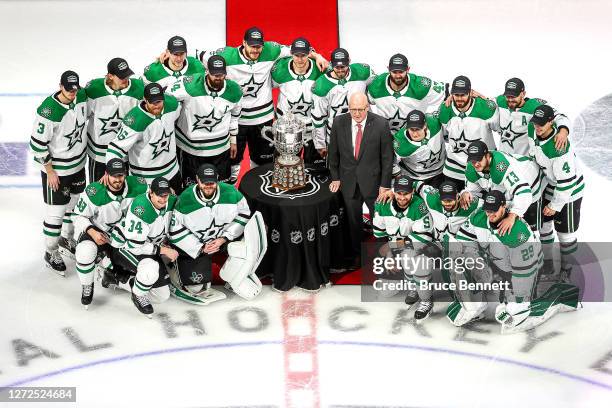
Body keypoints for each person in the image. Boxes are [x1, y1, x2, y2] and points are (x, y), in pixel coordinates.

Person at [196, 27, 328, 182]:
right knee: (233, 162)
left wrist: (317, 56)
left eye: (258, 46)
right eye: (252, 46)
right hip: (236, 119)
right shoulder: (227, 54)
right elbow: (198, 55)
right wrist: (165, 56)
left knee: (262, 164)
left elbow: (296, 50)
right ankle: (231, 195)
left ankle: (258, 192)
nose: (255, 50)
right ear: (243, 42)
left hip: (262, 119)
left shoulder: (271, 50)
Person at [455, 190, 578, 333]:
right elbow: (462, 241)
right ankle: (476, 304)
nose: (490, 214)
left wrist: (516, 298)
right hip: (497, 263)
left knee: (513, 313)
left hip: (523, 270)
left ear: (503, 207)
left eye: (494, 210)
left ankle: (559, 298)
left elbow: (526, 272)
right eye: (487, 210)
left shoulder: (518, 233)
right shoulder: (479, 217)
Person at [169, 164, 266, 304]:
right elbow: (175, 231)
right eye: (204, 182)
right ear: (197, 180)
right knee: (196, 288)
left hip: (223, 241)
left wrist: (224, 237)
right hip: (200, 246)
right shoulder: (185, 200)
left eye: (212, 182)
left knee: (243, 252)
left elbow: (244, 214)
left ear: (217, 180)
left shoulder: (231, 193)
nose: (208, 186)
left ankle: (232, 279)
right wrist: (200, 247)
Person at [30, 70, 88, 274]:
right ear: (60, 86)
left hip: (79, 166)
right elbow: (37, 145)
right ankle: (50, 250)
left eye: (75, 89)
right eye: (68, 89)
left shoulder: (81, 96)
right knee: (56, 214)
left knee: (72, 207)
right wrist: (50, 171)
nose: (72, 93)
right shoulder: (48, 111)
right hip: (58, 171)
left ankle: (67, 238)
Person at [328, 92, 393, 269]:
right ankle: (358, 255)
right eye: (353, 110)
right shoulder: (339, 122)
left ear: (367, 107)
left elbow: (387, 158)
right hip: (348, 183)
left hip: (374, 184)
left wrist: (385, 185)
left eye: (360, 110)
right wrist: (335, 177)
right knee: (353, 222)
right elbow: (333, 153)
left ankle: (384, 255)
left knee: (378, 221)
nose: (356, 114)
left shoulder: (380, 124)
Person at [72, 159, 147, 308]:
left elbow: (155, 196)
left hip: (124, 235)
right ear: (106, 175)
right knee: (85, 252)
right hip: (99, 232)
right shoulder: (93, 192)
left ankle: (111, 273)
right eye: (114, 176)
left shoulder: (139, 184)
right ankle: (87, 285)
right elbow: (77, 216)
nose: (118, 180)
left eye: (121, 175)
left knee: (141, 271)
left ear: (126, 174)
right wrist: (92, 232)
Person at [167, 55, 242, 185]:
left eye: (221, 74)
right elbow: (167, 96)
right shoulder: (189, 85)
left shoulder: (235, 90)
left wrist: (233, 139)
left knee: (222, 187)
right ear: (207, 71)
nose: (218, 78)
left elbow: (235, 116)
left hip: (221, 149)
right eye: (214, 74)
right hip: (190, 149)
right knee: (190, 189)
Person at [529, 104, 584, 279]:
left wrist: (555, 205)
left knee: (565, 233)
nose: (537, 127)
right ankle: (547, 264)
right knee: (544, 225)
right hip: (550, 183)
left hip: (569, 190)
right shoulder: (534, 130)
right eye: (535, 123)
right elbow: (559, 113)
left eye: (541, 124)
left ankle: (567, 271)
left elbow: (567, 183)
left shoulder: (559, 148)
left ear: (551, 122)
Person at [109, 177, 177, 317]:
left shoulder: (169, 200)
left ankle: (122, 279)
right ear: (151, 193)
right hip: (125, 246)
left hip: (149, 245)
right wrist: (164, 250)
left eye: (166, 195)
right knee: (150, 270)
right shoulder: (141, 209)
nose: (164, 199)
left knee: (161, 295)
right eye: (159, 195)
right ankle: (137, 294)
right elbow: (135, 247)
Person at [372, 176, 435, 322]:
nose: (402, 197)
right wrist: (389, 256)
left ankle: (427, 300)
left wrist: (394, 247)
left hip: (418, 247)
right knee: (386, 292)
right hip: (394, 248)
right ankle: (414, 286)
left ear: (412, 192)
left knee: (414, 262)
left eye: (406, 193)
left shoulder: (419, 206)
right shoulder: (382, 204)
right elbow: (379, 235)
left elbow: (423, 239)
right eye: (399, 193)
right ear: (393, 192)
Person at [105, 83, 182, 193]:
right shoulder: (134, 121)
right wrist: (110, 171)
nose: (156, 105)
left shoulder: (172, 104)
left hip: (173, 172)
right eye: (152, 102)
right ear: (145, 99)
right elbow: (115, 148)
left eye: (159, 101)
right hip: (145, 179)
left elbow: (180, 103)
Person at [461, 140, 544, 234]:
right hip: (507, 189)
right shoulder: (472, 167)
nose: (475, 164)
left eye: (479, 160)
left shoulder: (501, 167)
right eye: (473, 161)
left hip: (530, 181)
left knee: (530, 229)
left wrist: (512, 215)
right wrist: (467, 192)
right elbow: (474, 189)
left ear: (487, 156)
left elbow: (524, 192)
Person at [85, 57, 144, 182]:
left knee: (124, 190)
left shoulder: (138, 89)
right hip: (99, 155)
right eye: (122, 76)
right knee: (99, 192)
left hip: (125, 153)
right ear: (110, 76)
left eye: (127, 75)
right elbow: (82, 115)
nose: (126, 79)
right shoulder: (94, 90)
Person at [271, 37, 325, 171]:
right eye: (296, 55)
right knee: (284, 169)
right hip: (287, 131)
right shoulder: (279, 70)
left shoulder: (320, 69)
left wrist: (318, 56)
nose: (300, 59)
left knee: (314, 171)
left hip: (312, 129)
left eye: (303, 55)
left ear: (309, 53)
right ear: (291, 53)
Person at [312, 48, 376, 160]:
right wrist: (320, 144)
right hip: (336, 134)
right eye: (337, 67)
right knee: (338, 171)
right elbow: (318, 118)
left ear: (349, 61)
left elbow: (376, 88)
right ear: (331, 64)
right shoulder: (321, 85)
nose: (341, 70)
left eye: (343, 66)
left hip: (363, 131)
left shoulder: (363, 72)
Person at [437, 75, 499, 189]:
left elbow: (502, 130)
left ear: (470, 93)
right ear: (451, 94)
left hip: (481, 170)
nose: (459, 98)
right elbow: (445, 136)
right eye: (456, 95)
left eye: (463, 95)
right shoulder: (445, 109)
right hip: (453, 170)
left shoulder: (486, 108)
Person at [368, 53, 446, 135]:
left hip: (412, 137)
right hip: (384, 136)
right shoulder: (376, 85)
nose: (398, 76)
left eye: (401, 72)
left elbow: (448, 91)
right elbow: (361, 102)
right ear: (388, 69)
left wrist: (450, 98)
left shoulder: (420, 85)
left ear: (408, 69)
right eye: (394, 72)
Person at [496, 77, 569, 155]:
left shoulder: (535, 106)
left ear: (523, 94)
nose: (510, 100)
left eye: (514, 96)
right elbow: (485, 104)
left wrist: (563, 132)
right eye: (508, 96)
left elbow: (560, 116)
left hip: (524, 161)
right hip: (503, 158)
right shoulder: (500, 101)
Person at [393, 109, 445, 187]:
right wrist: (398, 175)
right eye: (411, 129)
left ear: (425, 126)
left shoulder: (435, 122)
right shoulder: (400, 143)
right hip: (415, 178)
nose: (415, 134)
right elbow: (389, 161)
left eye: (418, 129)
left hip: (441, 172)